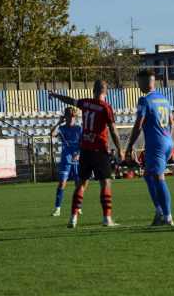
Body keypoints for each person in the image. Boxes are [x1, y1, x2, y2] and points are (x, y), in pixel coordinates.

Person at [49, 80, 124, 228]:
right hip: (99, 149)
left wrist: (56, 95)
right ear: (106, 92)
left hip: (85, 150)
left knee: (81, 184)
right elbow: (113, 130)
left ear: (93, 90)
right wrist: (120, 148)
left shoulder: (86, 103)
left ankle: (73, 218)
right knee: (105, 182)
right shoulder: (105, 107)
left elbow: (70, 100)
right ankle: (107, 219)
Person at [125, 69, 174, 226]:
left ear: (145, 81)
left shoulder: (144, 100)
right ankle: (160, 212)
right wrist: (168, 138)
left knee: (159, 177)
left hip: (157, 143)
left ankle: (167, 217)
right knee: (148, 175)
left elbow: (139, 124)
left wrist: (130, 145)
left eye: (139, 81)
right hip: (167, 140)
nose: (138, 84)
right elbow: (172, 122)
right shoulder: (164, 99)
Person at [51, 107, 82, 217]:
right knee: (62, 184)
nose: (71, 118)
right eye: (69, 116)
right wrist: (59, 122)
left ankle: (78, 207)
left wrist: (78, 153)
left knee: (78, 185)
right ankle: (57, 208)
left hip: (77, 161)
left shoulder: (79, 128)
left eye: (73, 116)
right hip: (66, 160)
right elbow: (52, 134)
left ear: (75, 117)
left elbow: (83, 143)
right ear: (66, 117)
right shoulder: (62, 128)